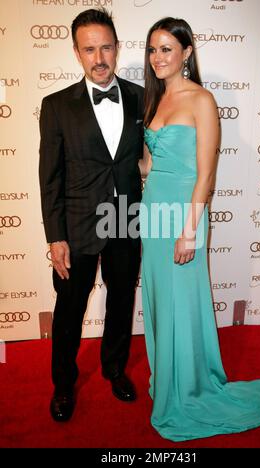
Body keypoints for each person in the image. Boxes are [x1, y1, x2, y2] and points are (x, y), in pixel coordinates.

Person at [138, 17, 260, 441]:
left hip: (184, 214)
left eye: (167, 48)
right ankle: (168, 379)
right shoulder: (154, 100)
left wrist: (190, 231)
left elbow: (206, 176)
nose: (158, 57)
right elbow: (149, 165)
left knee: (181, 302)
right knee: (158, 300)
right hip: (153, 212)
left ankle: (189, 388)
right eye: (153, 49)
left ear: (187, 53)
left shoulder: (201, 100)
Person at [39, 8, 144, 422]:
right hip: (77, 225)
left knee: (121, 301)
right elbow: (50, 177)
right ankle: (63, 385)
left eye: (105, 47)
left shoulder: (141, 96)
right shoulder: (56, 105)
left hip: (125, 219)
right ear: (76, 53)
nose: (99, 58)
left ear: (117, 48)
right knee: (68, 311)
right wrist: (55, 236)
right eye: (89, 49)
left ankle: (115, 369)